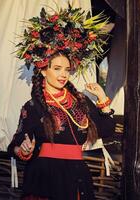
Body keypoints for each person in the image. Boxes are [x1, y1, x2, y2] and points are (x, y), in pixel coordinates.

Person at [8, 6, 115, 200]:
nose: (63, 74)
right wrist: (23, 149)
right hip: (46, 178)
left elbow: (106, 130)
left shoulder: (80, 101)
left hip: (77, 177)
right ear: (43, 70)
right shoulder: (33, 106)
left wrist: (101, 98)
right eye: (57, 68)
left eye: (67, 69)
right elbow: (15, 145)